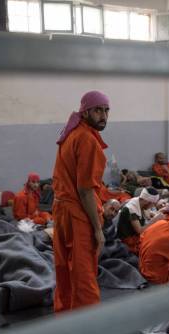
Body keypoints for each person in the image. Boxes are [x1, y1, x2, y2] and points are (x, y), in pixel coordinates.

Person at [52, 90, 110, 312]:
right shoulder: (87, 140)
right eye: (98, 110)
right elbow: (85, 190)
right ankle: (88, 331)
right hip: (78, 214)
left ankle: (65, 317)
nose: (103, 115)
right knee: (83, 273)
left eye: (106, 110)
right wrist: (97, 229)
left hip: (62, 211)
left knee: (64, 270)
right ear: (85, 111)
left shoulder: (71, 134)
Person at [116, 188, 165, 254]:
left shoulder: (140, 202)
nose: (152, 206)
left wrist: (156, 215)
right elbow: (140, 231)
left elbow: (148, 213)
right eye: (152, 204)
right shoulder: (131, 209)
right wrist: (155, 220)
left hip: (135, 237)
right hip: (128, 241)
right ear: (148, 202)